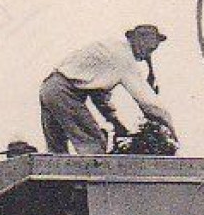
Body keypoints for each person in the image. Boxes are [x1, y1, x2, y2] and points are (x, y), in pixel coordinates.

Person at [40, 24, 176, 155]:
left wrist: (116, 123)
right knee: (94, 143)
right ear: (140, 40)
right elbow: (150, 105)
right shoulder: (124, 58)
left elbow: (99, 97)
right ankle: (96, 177)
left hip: (49, 88)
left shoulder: (112, 50)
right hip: (64, 92)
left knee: (57, 150)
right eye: (150, 49)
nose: (148, 55)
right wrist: (172, 131)